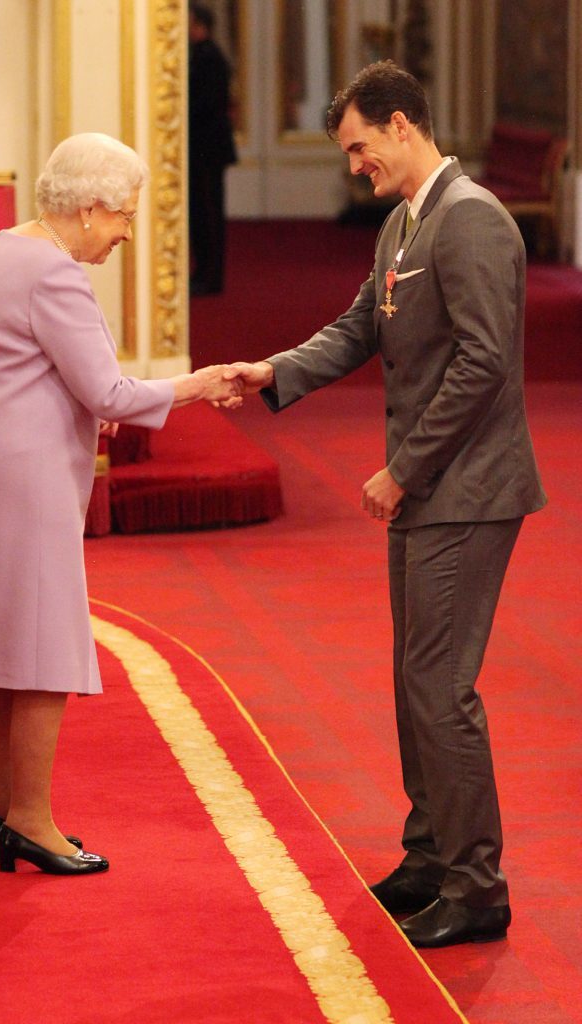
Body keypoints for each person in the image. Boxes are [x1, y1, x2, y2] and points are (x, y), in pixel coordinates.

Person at [222, 61, 546, 947]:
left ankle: (476, 885)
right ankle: (429, 855)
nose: (352, 166)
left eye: (359, 147)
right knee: (416, 683)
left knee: (440, 687)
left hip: (467, 489)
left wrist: (400, 470)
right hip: (434, 488)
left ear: (402, 125)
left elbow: (484, 364)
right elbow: (363, 323)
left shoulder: (470, 221)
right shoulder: (405, 221)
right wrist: (274, 372)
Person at [0, 132, 241, 876]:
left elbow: (25, 366)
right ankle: (31, 819)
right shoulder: (55, 275)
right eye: (125, 215)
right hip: (24, 480)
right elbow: (108, 393)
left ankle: (0, 805)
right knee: (40, 651)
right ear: (91, 209)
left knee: (6, 646)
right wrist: (201, 381)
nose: (128, 231)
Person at [188, 2, 237, 295]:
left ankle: (210, 276)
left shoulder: (210, 58)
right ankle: (203, 272)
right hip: (204, 148)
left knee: (208, 213)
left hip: (208, 149)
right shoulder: (202, 55)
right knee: (202, 213)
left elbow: (207, 104)